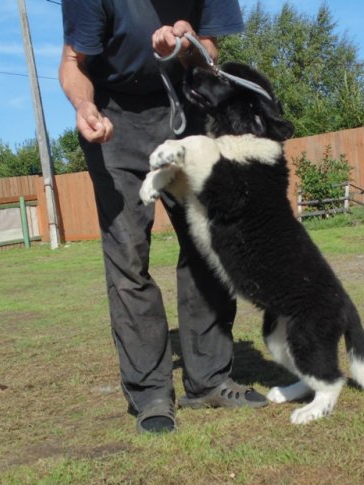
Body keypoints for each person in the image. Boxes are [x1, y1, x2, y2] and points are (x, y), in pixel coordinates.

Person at [59, 1, 268, 434]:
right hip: (113, 116)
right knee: (128, 255)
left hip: (186, 108)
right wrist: (84, 107)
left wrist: (190, 45)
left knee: (208, 243)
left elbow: (210, 54)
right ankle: (151, 392)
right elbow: (72, 62)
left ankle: (208, 380)